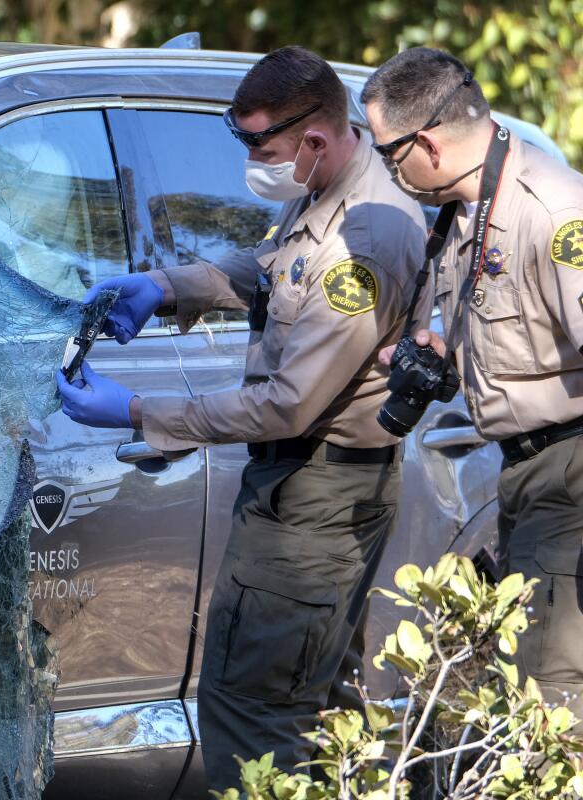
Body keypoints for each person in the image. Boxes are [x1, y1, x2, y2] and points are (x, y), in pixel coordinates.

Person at [54, 46, 427, 791]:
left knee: (251, 718)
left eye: (261, 145)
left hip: (315, 504)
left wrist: (134, 410)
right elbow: (271, 269)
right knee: (313, 718)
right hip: (305, 496)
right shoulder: (324, 190)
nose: (252, 161)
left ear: (316, 139)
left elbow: (287, 401)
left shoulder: (370, 238)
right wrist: (163, 286)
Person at [362, 47, 583, 719]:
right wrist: (445, 359)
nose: (386, 171)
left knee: (549, 701)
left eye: (387, 154)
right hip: (522, 475)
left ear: (426, 143)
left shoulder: (552, 209)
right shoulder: (463, 208)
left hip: (569, 476)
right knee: (516, 687)